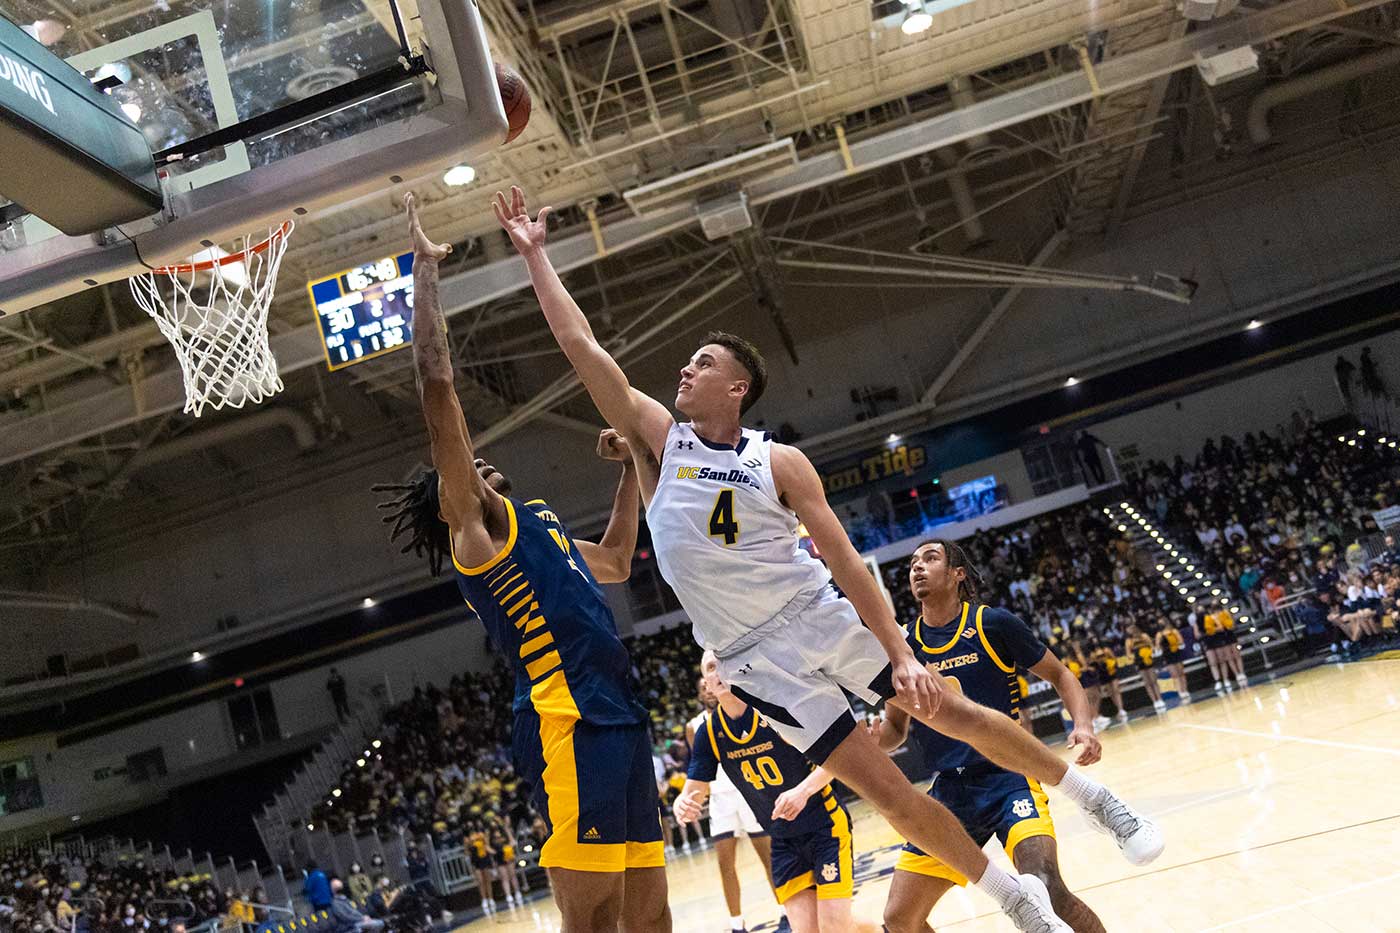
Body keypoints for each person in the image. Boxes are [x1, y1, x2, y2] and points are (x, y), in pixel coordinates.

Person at [498, 185, 1161, 933]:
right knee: (887, 793)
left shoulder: (777, 461)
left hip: (813, 615)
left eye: (700, 363)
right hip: (751, 660)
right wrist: (535, 254)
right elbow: (584, 349)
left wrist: (899, 650)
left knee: (957, 711)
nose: (683, 372)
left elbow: (845, 559)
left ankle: (1097, 799)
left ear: (736, 387)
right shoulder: (662, 440)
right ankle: (1016, 902)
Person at [373, 194, 669, 932]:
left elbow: (615, 559)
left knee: (652, 915)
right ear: (448, 504)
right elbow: (437, 388)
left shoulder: (536, 521)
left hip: (621, 711)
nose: (478, 461)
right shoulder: (476, 537)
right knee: (594, 919)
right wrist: (425, 276)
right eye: (463, 465)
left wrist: (630, 465)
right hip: (565, 719)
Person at [876, 541, 1106, 933]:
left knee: (1045, 889)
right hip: (948, 794)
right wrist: (869, 740)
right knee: (899, 919)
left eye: (930, 559)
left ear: (957, 573)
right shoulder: (902, 647)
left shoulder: (992, 624)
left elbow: (1061, 675)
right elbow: (896, 730)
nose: (917, 568)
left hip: (1009, 777)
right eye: (912, 563)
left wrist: (1082, 725)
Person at [675, 653, 852, 933]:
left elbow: (837, 761)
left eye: (723, 663)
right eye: (711, 667)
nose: (718, 670)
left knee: (833, 928)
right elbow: (693, 790)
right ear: (706, 684)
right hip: (782, 838)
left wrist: (803, 791)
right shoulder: (708, 732)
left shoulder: (772, 711)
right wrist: (682, 804)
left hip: (824, 828)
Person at [685, 677, 783, 933]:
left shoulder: (742, 715)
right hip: (720, 799)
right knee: (725, 864)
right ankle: (736, 924)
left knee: (768, 858)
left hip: (749, 793)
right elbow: (701, 766)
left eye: (710, 685)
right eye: (702, 688)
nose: (708, 690)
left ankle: (786, 911)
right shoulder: (695, 726)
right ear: (699, 694)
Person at [1124, 625, 1165, 714]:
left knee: (1153, 680)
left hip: (1148, 659)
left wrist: (1150, 652)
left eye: (1130, 630)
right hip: (1139, 661)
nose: (1129, 632)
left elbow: (1152, 646)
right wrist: (1133, 658)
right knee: (1147, 682)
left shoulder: (1144, 636)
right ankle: (1154, 701)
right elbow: (1128, 653)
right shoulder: (1129, 641)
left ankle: (1160, 699)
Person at [1154, 616, 1190, 704]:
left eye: (1162, 622)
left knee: (1181, 672)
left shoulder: (1173, 631)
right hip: (1167, 654)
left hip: (1176, 652)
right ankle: (1180, 692)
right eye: (1159, 623)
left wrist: (1174, 643)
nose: (1160, 624)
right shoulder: (1159, 634)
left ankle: (1185, 690)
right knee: (1174, 674)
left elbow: (1181, 640)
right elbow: (1157, 646)